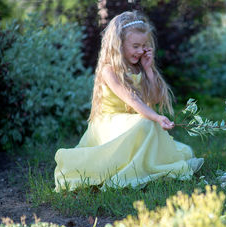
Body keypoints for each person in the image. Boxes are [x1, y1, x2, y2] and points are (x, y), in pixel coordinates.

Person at [54, 11, 203, 192]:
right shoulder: (109, 70)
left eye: (144, 46)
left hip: (132, 121)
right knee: (146, 122)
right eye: (135, 46)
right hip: (109, 124)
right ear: (119, 44)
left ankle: (144, 165)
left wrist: (148, 70)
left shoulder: (139, 67)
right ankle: (130, 171)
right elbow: (130, 98)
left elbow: (154, 98)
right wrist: (156, 117)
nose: (140, 51)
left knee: (156, 131)